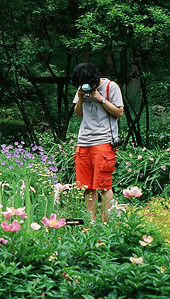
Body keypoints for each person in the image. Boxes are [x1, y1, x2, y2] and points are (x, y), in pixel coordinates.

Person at [71, 62, 124, 223]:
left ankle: (106, 225)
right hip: (84, 141)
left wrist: (101, 99)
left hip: (103, 141)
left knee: (104, 185)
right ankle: (90, 224)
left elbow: (119, 112)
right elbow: (78, 113)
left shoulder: (111, 87)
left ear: (94, 80)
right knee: (87, 186)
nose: (85, 86)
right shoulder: (82, 87)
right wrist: (80, 98)